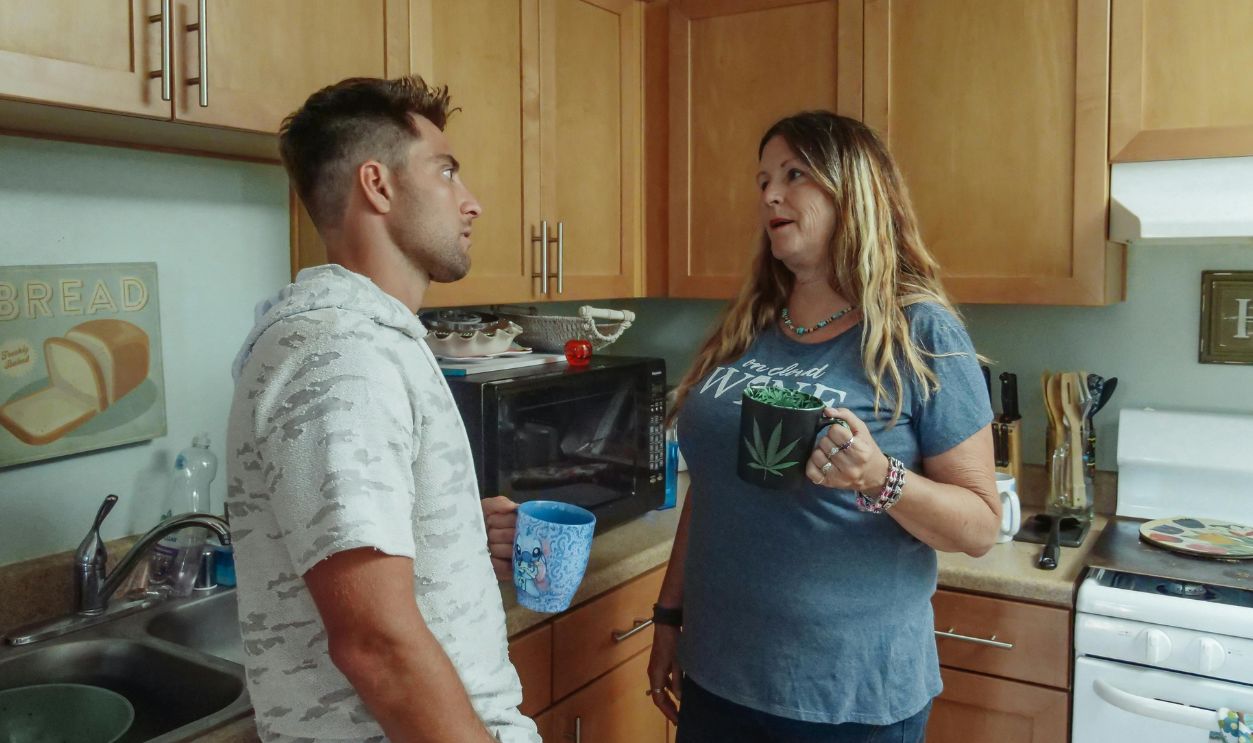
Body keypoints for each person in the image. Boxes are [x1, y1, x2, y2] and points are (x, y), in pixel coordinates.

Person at [647, 111, 1001, 743]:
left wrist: (879, 477)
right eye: (763, 181)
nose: (769, 195)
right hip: (718, 674)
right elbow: (712, 490)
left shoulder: (919, 333)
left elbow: (979, 524)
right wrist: (668, 616)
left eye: (794, 175)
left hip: (847, 699)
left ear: (852, 190)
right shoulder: (749, 325)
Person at [226, 76, 539, 743]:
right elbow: (375, 642)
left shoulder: (370, 336)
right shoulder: (338, 348)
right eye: (447, 172)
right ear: (378, 184)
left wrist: (446, 529)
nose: (472, 202)